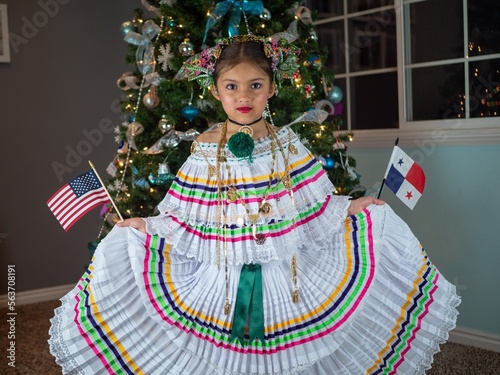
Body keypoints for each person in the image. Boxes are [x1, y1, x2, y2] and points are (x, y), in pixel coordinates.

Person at [49, 35, 460, 374]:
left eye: (255, 85)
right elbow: (181, 216)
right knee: (220, 359)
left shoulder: (288, 144)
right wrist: (145, 225)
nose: (243, 96)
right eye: (232, 86)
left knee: (290, 357)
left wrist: (354, 208)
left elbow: (316, 204)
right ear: (215, 90)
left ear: (272, 88)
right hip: (223, 279)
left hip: (287, 277)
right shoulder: (205, 149)